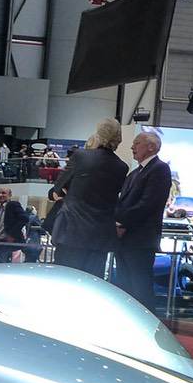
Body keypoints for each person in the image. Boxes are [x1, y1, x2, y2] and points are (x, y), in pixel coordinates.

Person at [47, 118, 128, 277]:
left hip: (71, 232)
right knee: (92, 282)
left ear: (99, 133)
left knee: (65, 279)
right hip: (100, 237)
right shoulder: (121, 167)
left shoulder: (81, 156)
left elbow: (58, 187)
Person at [111, 130, 173, 305]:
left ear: (151, 147)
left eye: (137, 143)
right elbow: (122, 202)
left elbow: (148, 204)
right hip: (124, 241)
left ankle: (147, 321)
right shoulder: (134, 173)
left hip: (140, 241)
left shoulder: (160, 169)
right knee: (124, 289)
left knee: (141, 290)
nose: (132, 147)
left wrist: (121, 223)